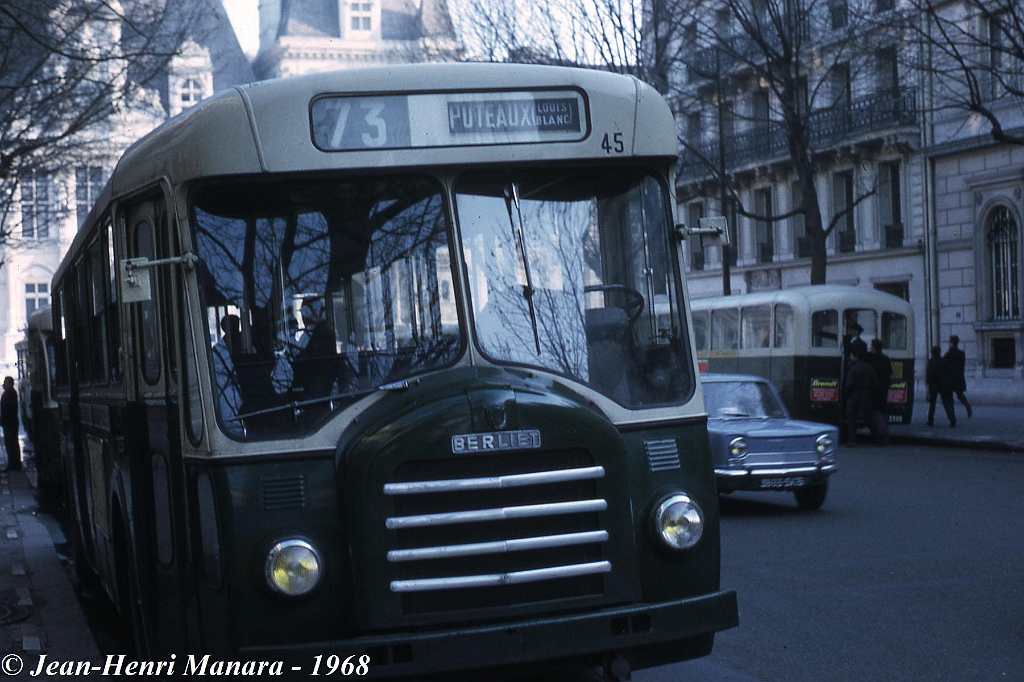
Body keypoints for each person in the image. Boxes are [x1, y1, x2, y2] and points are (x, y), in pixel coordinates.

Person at [211, 314, 245, 435]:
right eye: (233, 326)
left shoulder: (246, 342)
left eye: (237, 325)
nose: (237, 329)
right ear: (225, 328)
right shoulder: (219, 351)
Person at [845, 347, 881, 445]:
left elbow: (849, 384)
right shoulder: (870, 368)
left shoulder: (853, 369)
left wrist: (848, 394)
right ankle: (877, 439)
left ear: (856, 357)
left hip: (855, 394)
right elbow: (876, 383)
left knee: (851, 416)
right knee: (870, 418)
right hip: (867, 394)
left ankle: (852, 440)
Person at [925, 345, 956, 427]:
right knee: (946, 402)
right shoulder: (944, 361)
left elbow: (929, 375)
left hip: (934, 385)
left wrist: (928, 386)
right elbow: (949, 373)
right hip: (944, 384)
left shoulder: (931, 362)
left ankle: (930, 420)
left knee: (932, 403)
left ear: (932, 353)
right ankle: (952, 419)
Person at [868, 337, 892, 443]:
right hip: (884, 386)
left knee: (875, 410)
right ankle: (885, 430)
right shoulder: (886, 358)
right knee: (883, 409)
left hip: (875, 387)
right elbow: (890, 371)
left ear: (874, 348)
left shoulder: (872, 359)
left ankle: (882, 432)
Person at [944, 334, 973, 418]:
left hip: (950, 377)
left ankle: (952, 414)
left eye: (949, 342)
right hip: (959, 376)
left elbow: (945, 364)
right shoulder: (961, 353)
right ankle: (967, 405)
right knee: (960, 395)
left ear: (952, 343)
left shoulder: (949, 353)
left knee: (949, 397)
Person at [1, 376, 21, 471]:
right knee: (12, 443)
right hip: (10, 422)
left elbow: (7, 410)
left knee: (11, 444)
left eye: (5, 382)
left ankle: (14, 464)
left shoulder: (9, 394)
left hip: (9, 423)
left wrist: (3, 420)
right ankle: (14, 463)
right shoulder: (11, 393)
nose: (4, 384)